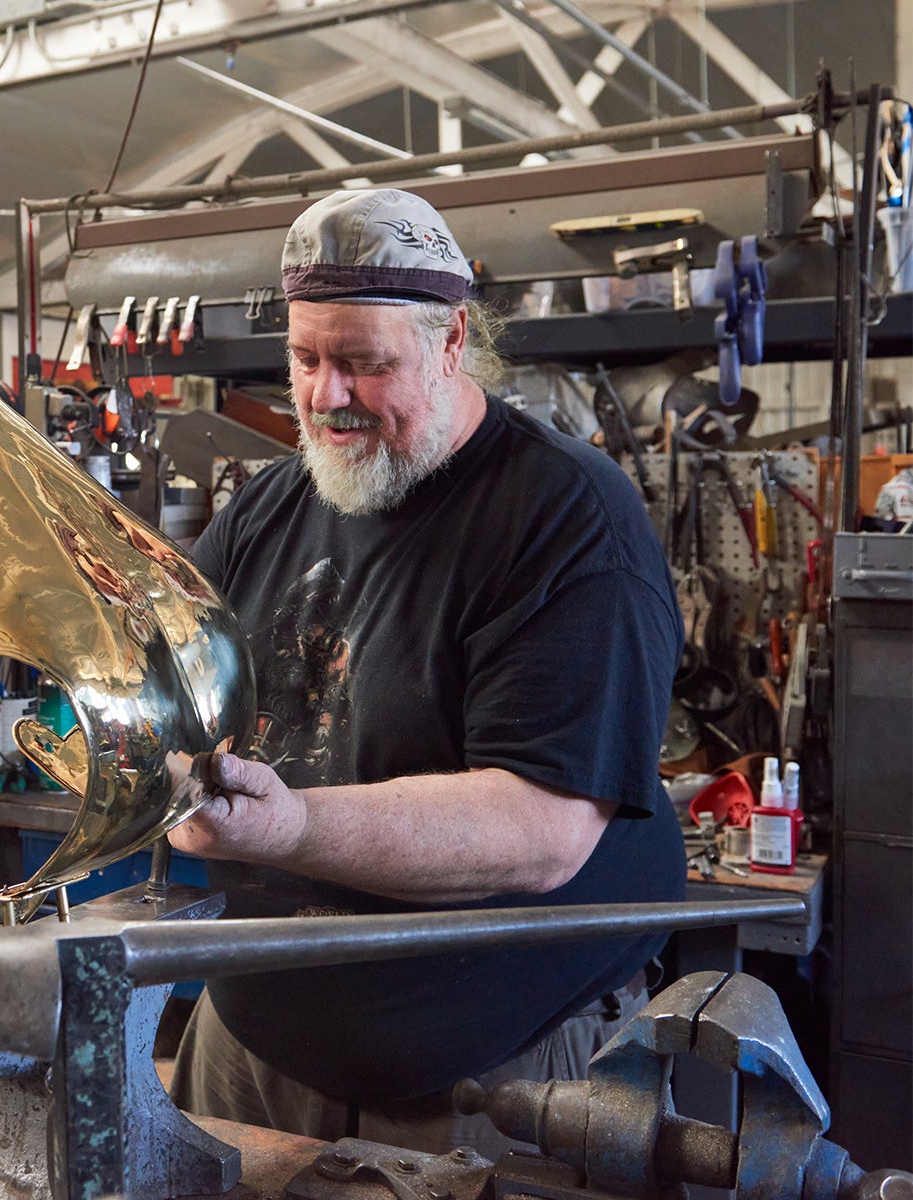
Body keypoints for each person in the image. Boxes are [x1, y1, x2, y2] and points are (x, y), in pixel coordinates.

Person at [166, 189, 685, 1155]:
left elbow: (542, 830)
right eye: (307, 360)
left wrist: (291, 824)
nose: (327, 396)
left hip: (491, 1086)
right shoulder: (271, 506)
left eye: (365, 363)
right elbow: (177, 690)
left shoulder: (568, 518)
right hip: (247, 1048)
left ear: (451, 344)